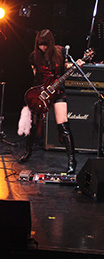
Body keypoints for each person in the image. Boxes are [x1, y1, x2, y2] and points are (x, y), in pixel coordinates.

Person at [19, 29, 84, 174]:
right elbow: (35, 77)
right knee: (33, 125)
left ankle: (72, 160)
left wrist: (76, 65)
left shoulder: (60, 53)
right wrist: (39, 94)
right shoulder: (34, 56)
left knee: (63, 124)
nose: (42, 47)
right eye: (40, 44)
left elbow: (65, 67)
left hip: (58, 91)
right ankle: (28, 152)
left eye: (45, 44)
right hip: (42, 93)